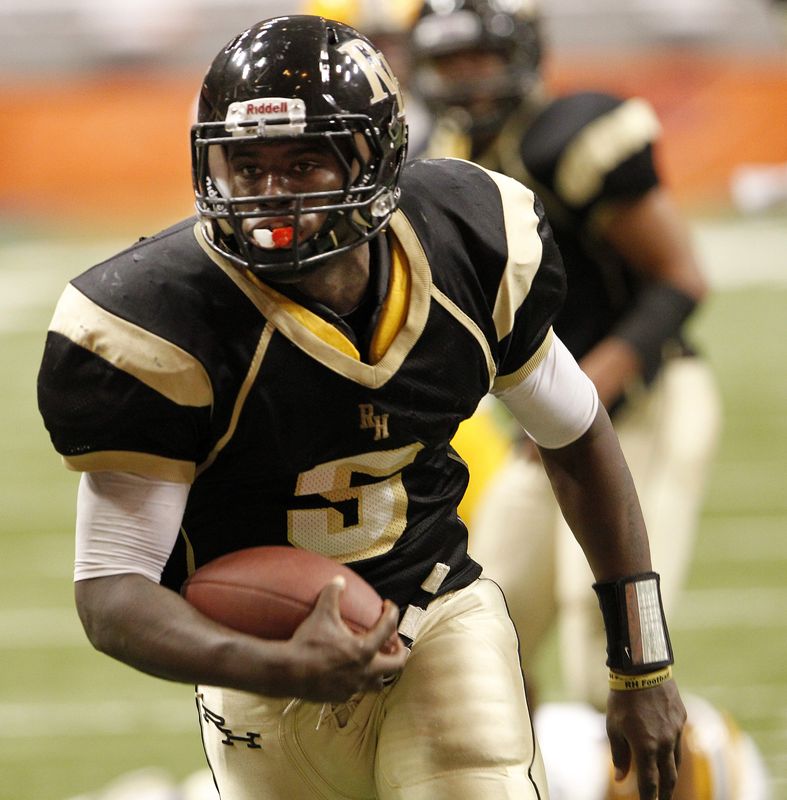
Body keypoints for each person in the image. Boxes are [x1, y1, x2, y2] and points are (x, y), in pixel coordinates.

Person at [38, 15, 686, 800]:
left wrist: (641, 662)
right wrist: (271, 663)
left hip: (436, 614)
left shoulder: (466, 244)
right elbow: (111, 593)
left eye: (304, 162)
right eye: (247, 165)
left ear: (376, 157)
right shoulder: (155, 319)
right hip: (256, 660)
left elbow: (577, 436)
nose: (270, 196)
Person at [410, 0, 722, 710]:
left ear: (520, 55)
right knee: (477, 633)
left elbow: (680, 278)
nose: (467, 79)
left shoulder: (571, 137)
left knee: (607, 652)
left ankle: (711, 766)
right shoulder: (442, 161)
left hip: (647, 396)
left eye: (480, 57)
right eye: (449, 62)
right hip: (545, 421)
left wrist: (586, 389)